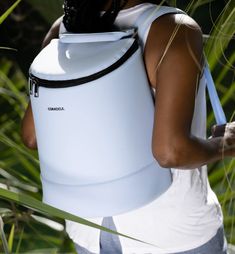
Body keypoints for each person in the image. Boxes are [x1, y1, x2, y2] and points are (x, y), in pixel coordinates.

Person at [21, 0, 235, 253]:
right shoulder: (173, 29)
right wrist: (226, 143)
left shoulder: (65, 29)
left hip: (90, 231)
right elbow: (171, 151)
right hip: (172, 231)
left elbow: (32, 136)